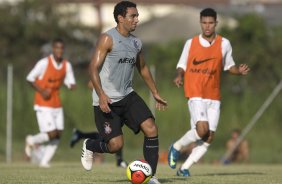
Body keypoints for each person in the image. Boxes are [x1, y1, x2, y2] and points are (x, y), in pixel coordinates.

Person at [80, 1, 167, 184]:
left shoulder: (136, 42)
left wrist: (155, 92)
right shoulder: (107, 38)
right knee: (115, 145)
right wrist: (102, 94)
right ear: (120, 18)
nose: (137, 19)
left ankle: (150, 176)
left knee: (151, 128)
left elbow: (142, 68)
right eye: (132, 16)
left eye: (137, 15)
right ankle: (89, 145)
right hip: (107, 100)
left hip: (128, 95)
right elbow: (93, 68)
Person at [168, 8, 250, 177]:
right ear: (200, 23)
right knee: (202, 129)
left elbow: (229, 67)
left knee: (209, 136)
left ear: (216, 23)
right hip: (195, 91)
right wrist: (179, 76)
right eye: (204, 22)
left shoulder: (224, 44)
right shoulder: (191, 43)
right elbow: (182, 65)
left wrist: (239, 71)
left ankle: (184, 168)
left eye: (210, 23)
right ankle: (176, 147)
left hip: (213, 95)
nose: (207, 26)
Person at [25, 38, 76, 168]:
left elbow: (70, 81)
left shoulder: (66, 65)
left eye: (61, 48)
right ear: (53, 49)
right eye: (57, 48)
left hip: (56, 104)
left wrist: (71, 85)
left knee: (58, 134)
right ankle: (31, 140)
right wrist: (42, 90)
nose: (59, 50)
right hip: (42, 103)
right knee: (51, 133)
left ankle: (44, 162)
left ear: (63, 50)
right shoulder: (43, 63)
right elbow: (30, 78)